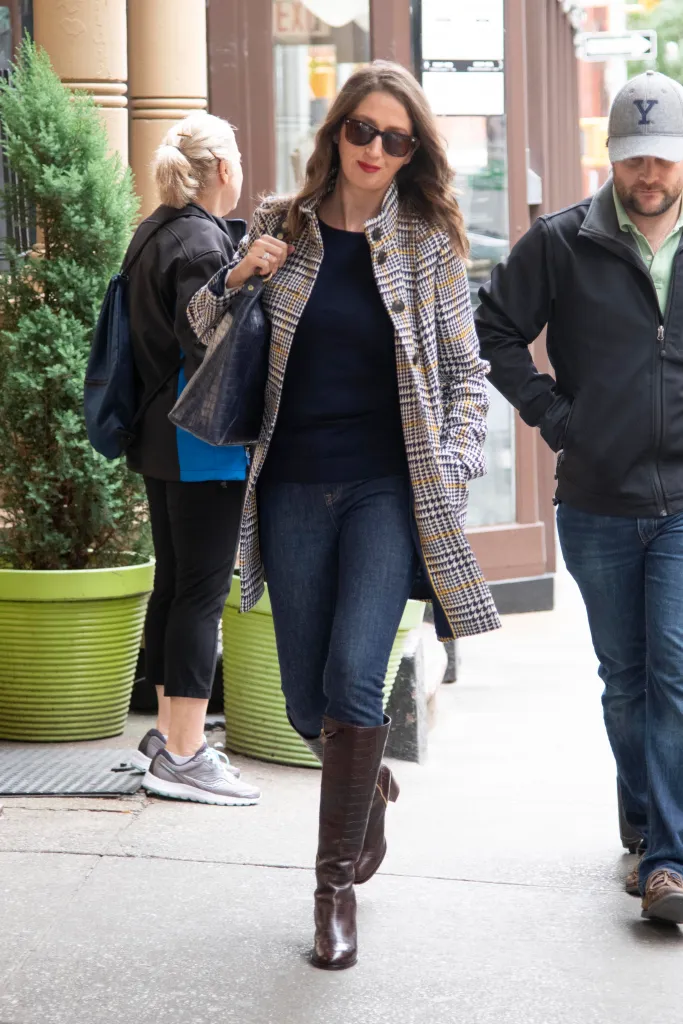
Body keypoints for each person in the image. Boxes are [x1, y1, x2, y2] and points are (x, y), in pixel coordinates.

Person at [188, 61, 500, 968]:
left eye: (394, 138)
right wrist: (242, 270)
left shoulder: (430, 242)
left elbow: (468, 376)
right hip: (288, 484)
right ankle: (371, 790)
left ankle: (331, 896)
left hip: (386, 489)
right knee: (299, 704)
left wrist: (452, 458)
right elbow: (206, 337)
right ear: (337, 135)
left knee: (358, 685)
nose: (374, 149)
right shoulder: (280, 224)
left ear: (413, 153)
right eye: (361, 130)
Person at [475, 70, 683, 923]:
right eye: (635, 159)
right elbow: (493, 326)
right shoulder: (559, 242)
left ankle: (667, 862)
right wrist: (557, 419)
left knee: (672, 671)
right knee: (625, 678)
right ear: (611, 155)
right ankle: (642, 825)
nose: (649, 176)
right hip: (595, 498)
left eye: (663, 158)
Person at [125, 112, 261, 807]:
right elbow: (205, 334)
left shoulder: (155, 229)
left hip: (159, 433)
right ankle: (183, 749)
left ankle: (167, 736)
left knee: (176, 585)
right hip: (202, 439)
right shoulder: (206, 244)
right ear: (223, 170)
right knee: (201, 593)